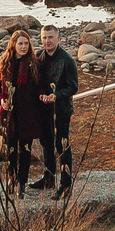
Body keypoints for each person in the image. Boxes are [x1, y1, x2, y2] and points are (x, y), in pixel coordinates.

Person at [0, 29, 50, 197]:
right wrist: (1, 100)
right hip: (9, 114)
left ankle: (22, 183)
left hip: (28, 113)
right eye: (20, 43)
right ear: (14, 44)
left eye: (26, 43)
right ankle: (11, 178)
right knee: (10, 148)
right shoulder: (4, 63)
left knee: (25, 149)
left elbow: (41, 85)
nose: (24, 46)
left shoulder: (35, 63)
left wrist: (42, 96)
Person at [34, 26, 79, 194]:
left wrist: (56, 96)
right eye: (44, 37)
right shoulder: (38, 57)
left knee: (62, 145)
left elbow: (73, 87)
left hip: (62, 109)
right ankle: (49, 179)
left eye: (50, 37)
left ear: (58, 39)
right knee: (46, 143)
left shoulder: (67, 60)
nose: (47, 41)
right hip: (44, 109)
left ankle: (66, 184)